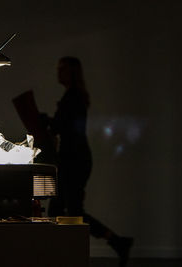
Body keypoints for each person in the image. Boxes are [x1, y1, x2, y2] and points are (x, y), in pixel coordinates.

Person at [40, 56, 133, 267]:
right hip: (74, 158)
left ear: (71, 72)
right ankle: (114, 242)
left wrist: (46, 120)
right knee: (62, 209)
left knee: (69, 210)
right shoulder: (74, 96)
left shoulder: (73, 97)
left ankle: (76, 251)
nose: (58, 73)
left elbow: (61, 127)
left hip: (74, 159)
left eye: (62, 69)